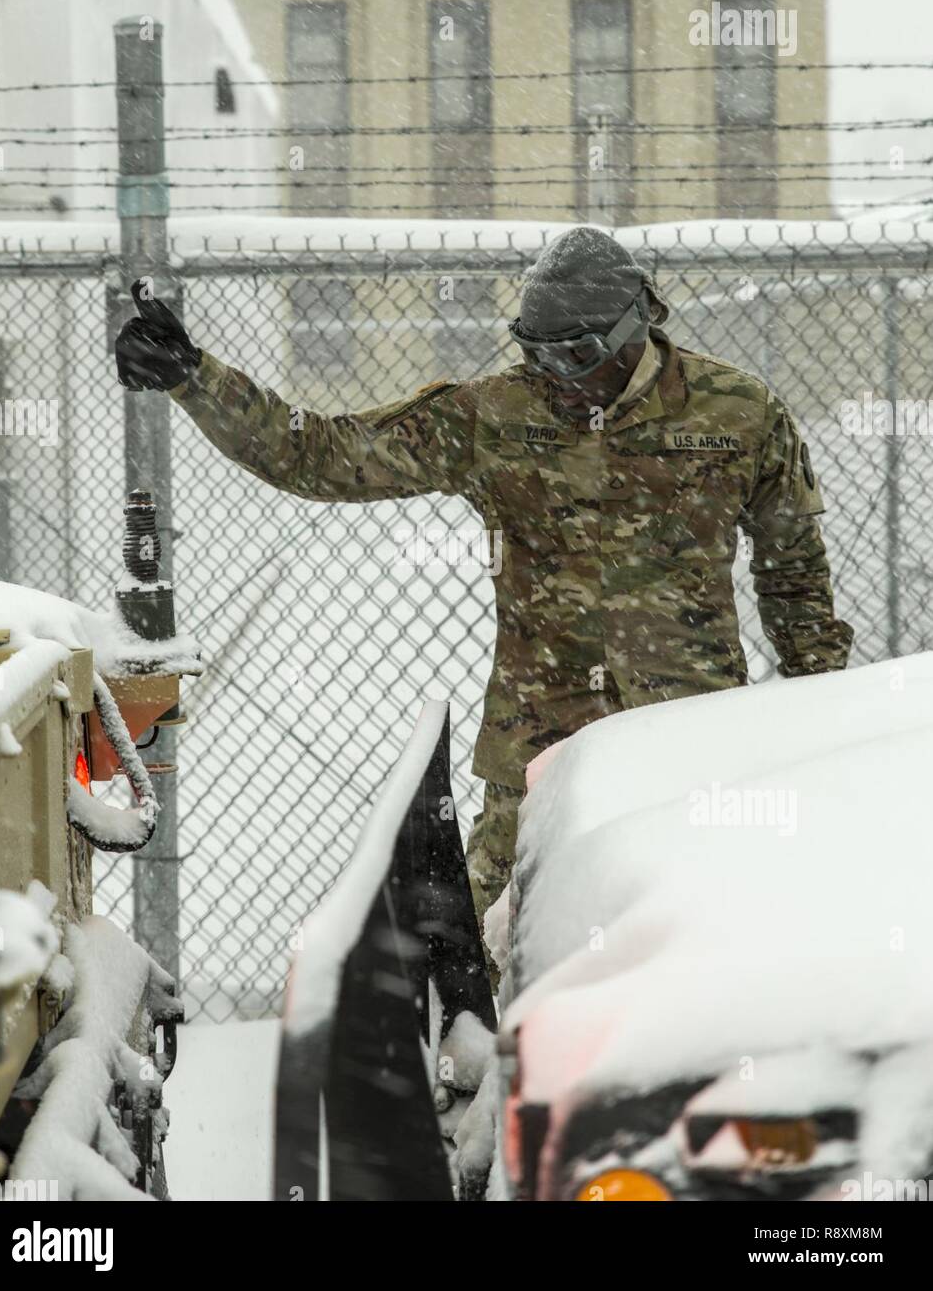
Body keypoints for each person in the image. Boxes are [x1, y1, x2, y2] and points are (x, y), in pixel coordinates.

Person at [115, 227, 853, 931]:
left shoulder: (736, 412)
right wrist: (193, 377)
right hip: (538, 742)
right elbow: (322, 456)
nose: (555, 377)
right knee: (487, 945)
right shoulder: (495, 416)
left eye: (576, 356)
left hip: (689, 732)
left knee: (691, 922)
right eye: (537, 354)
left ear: (635, 329)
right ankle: (484, 1063)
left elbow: (792, 571)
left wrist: (818, 715)